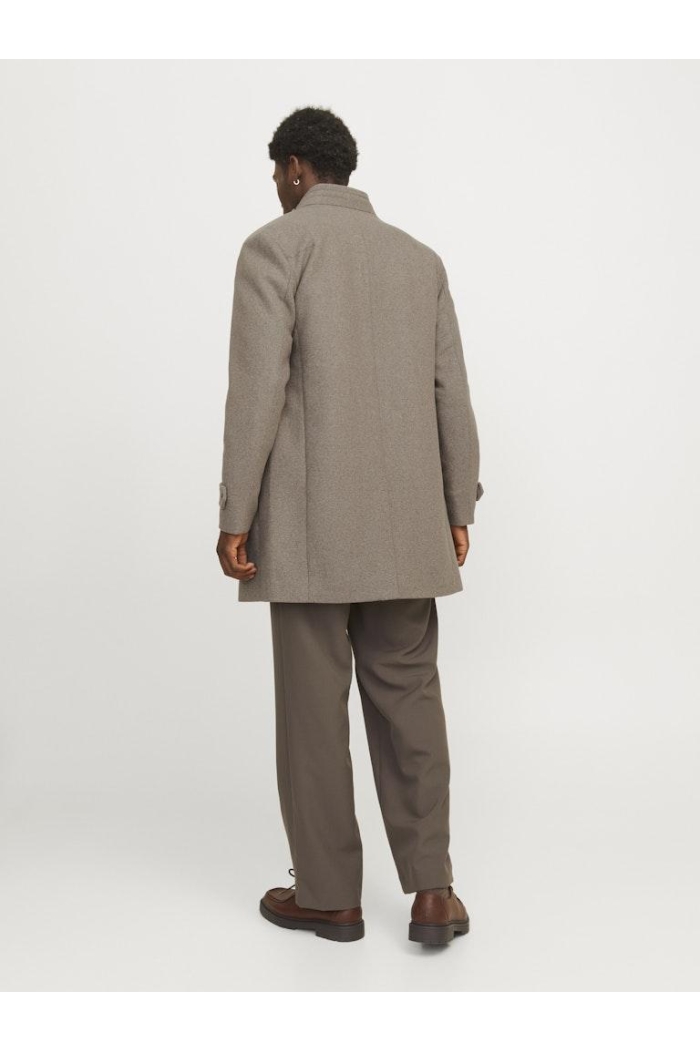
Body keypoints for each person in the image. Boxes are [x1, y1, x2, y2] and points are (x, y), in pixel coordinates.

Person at [216, 106, 484, 946]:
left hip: (308, 534)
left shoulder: (275, 248)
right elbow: (451, 394)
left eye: (277, 172)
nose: (276, 186)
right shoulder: (419, 261)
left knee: (312, 716)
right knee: (411, 702)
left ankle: (330, 896)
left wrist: (235, 514)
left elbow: (257, 391)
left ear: (297, 167)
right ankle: (434, 890)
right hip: (409, 528)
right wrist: (457, 505)